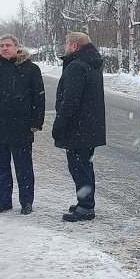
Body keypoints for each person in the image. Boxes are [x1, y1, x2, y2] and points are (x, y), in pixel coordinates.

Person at [0, 34, 45, 215]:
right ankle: (4, 200)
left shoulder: (30, 69)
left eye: (8, 45)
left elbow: (39, 97)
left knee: (23, 167)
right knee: (1, 166)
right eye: (1, 45)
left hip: (21, 125)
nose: (4, 48)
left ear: (17, 47)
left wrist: (36, 122)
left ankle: (26, 202)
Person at [53, 32, 106, 223]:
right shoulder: (91, 63)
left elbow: (70, 101)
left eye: (66, 43)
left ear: (75, 46)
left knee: (78, 168)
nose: (65, 46)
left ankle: (85, 207)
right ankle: (85, 202)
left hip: (77, 127)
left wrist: (59, 125)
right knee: (85, 166)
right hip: (89, 125)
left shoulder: (76, 66)